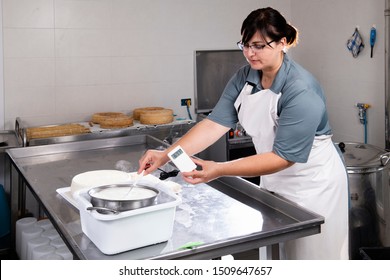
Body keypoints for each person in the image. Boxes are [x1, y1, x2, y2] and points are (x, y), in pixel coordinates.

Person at [138, 7, 349, 260]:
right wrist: (167, 155)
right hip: (274, 180)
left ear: (282, 43)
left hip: (313, 184)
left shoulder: (300, 89)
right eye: (246, 44)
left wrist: (219, 168)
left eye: (259, 45)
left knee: (312, 260)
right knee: (275, 256)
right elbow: (214, 124)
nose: (250, 53)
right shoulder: (245, 77)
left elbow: (284, 157)